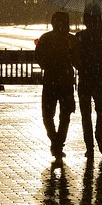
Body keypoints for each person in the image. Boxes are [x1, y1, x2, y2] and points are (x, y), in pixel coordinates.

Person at [76, 2, 102, 157]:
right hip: (100, 80)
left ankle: (90, 147)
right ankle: (99, 136)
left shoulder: (80, 36)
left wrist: (80, 68)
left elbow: (75, 57)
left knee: (86, 115)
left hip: (85, 80)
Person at [35, 10, 77, 160]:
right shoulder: (70, 40)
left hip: (52, 81)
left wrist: (49, 65)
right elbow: (77, 60)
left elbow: (38, 57)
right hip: (64, 80)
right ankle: (58, 142)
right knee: (63, 115)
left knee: (49, 115)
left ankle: (56, 142)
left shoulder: (47, 38)